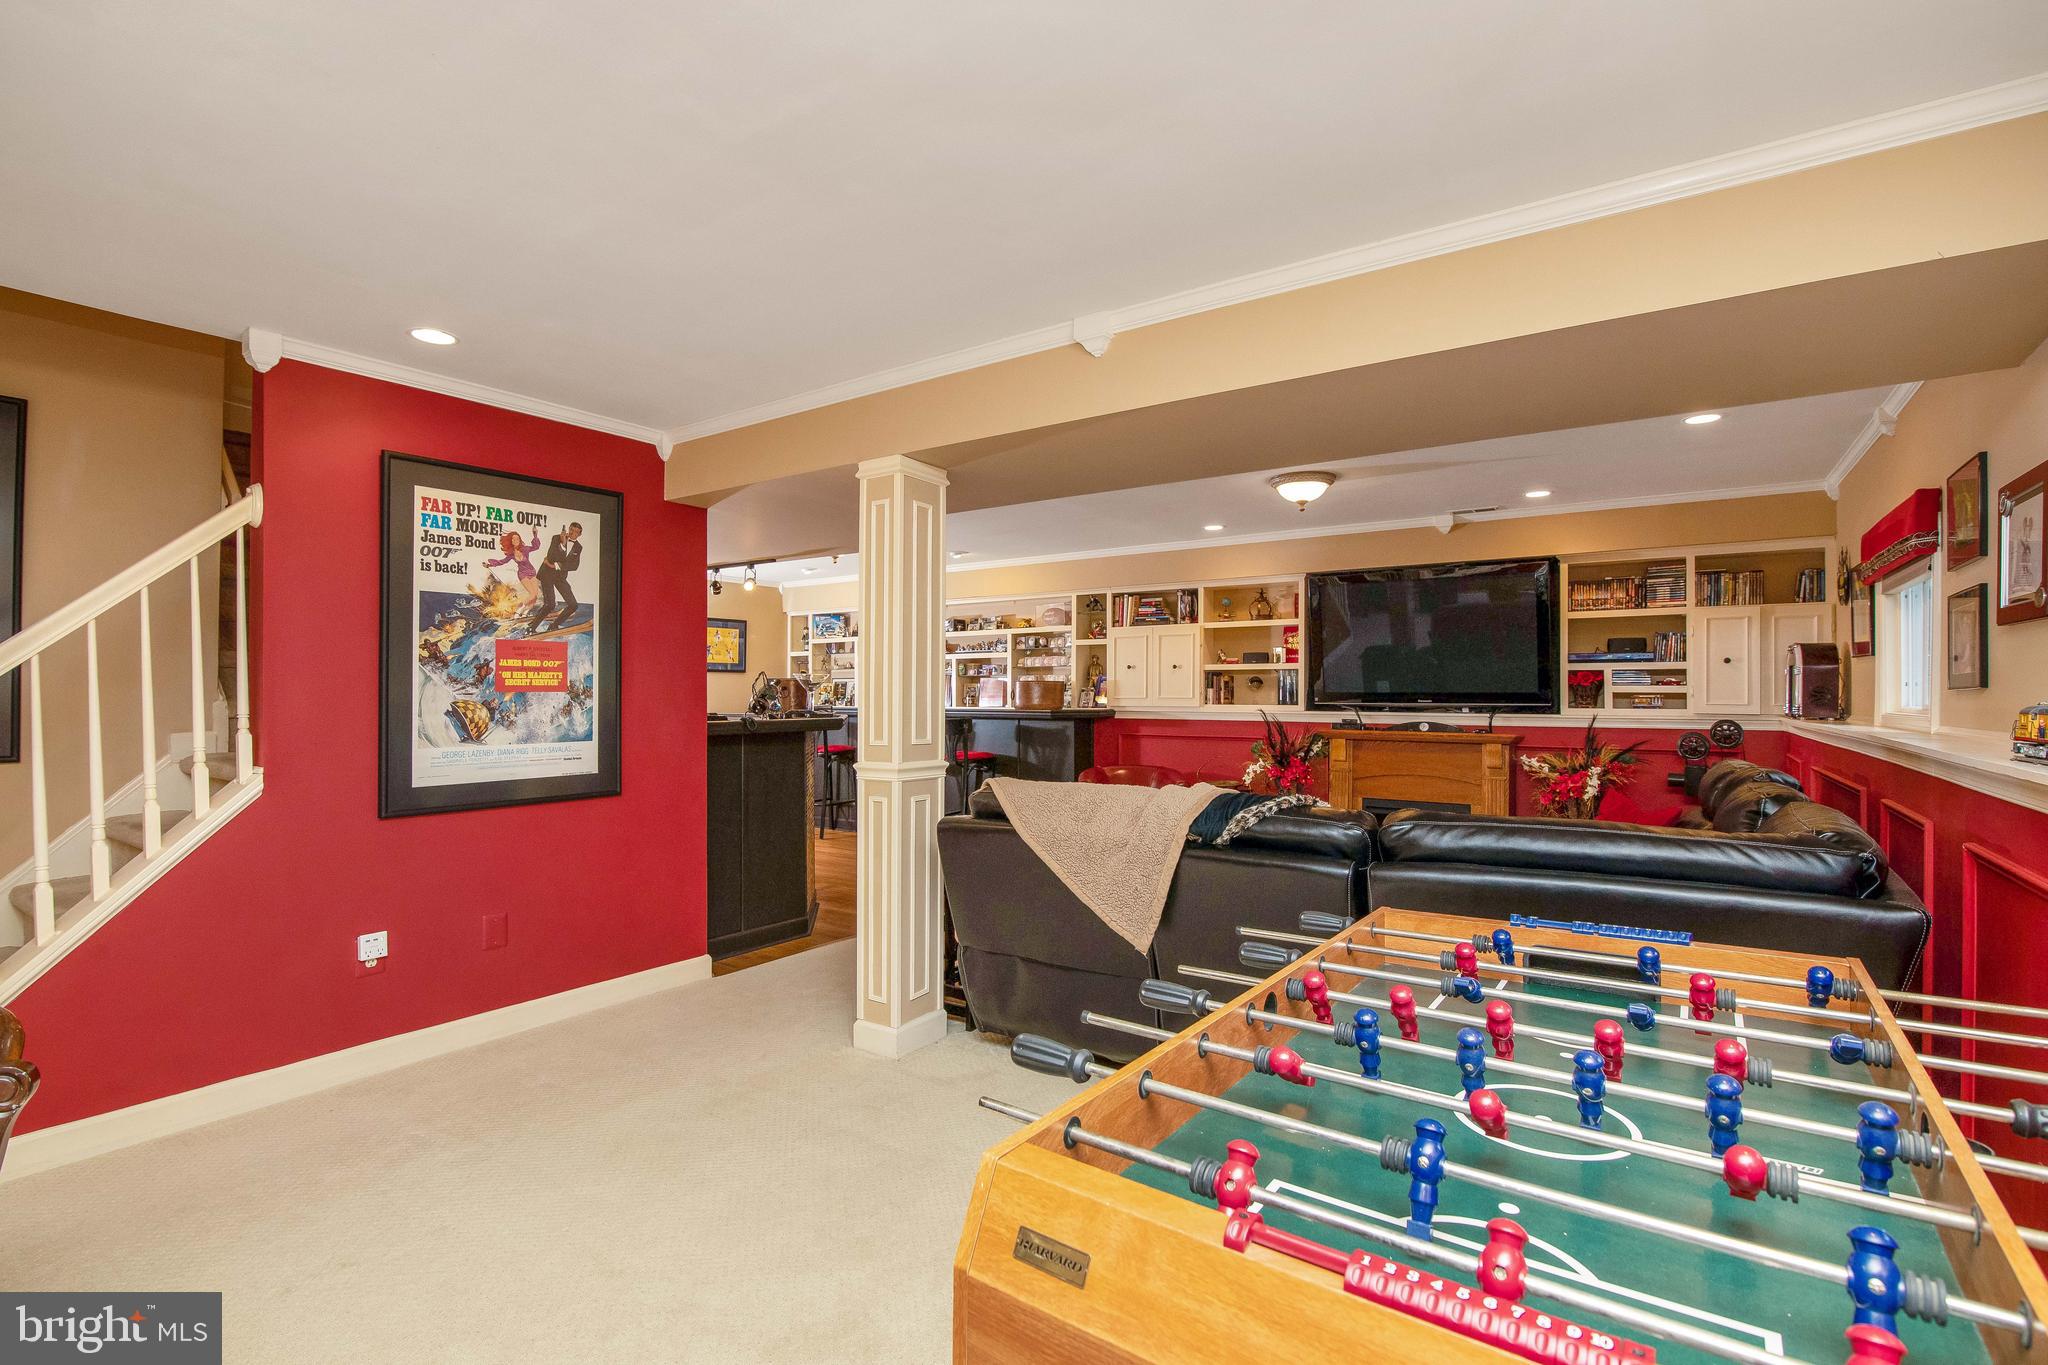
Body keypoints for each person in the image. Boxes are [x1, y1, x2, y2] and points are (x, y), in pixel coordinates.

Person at [533, 521, 583, 632]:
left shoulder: (578, 547)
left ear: (579, 534)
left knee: (573, 605)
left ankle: (553, 626)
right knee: (550, 604)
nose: (572, 533)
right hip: (547, 574)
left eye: (576, 532)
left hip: (560, 577)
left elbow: (574, 566)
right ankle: (531, 628)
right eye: (571, 530)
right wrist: (562, 544)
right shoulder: (556, 538)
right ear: (568, 529)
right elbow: (551, 556)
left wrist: (556, 565)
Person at [483, 529, 542, 613]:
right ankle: (518, 609)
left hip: (532, 572)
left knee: (535, 596)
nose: (515, 540)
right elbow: (502, 562)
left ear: (520, 540)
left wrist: (535, 534)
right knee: (532, 594)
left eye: (517, 539)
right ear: (511, 541)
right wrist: (489, 565)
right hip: (523, 574)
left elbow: (536, 547)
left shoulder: (525, 549)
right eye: (513, 539)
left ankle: (525, 612)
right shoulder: (511, 554)